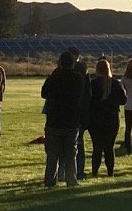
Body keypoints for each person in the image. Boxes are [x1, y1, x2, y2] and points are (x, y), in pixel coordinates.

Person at [39, 50, 87, 186]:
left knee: (52, 154)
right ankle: (71, 179)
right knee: (71, 154)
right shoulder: (78, 79)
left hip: (54, 119)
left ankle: (50, 180)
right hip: (71, 120)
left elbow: (44, 93)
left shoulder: (54, 77)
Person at [86, 58, 126, 178]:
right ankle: (110, 172)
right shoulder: (115, 83)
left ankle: (94, 172)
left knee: (97, 147)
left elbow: (88, 100)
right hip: (112, 119)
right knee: (109, 147)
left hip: (95, 119)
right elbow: (123, 100)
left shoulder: (93, 84)